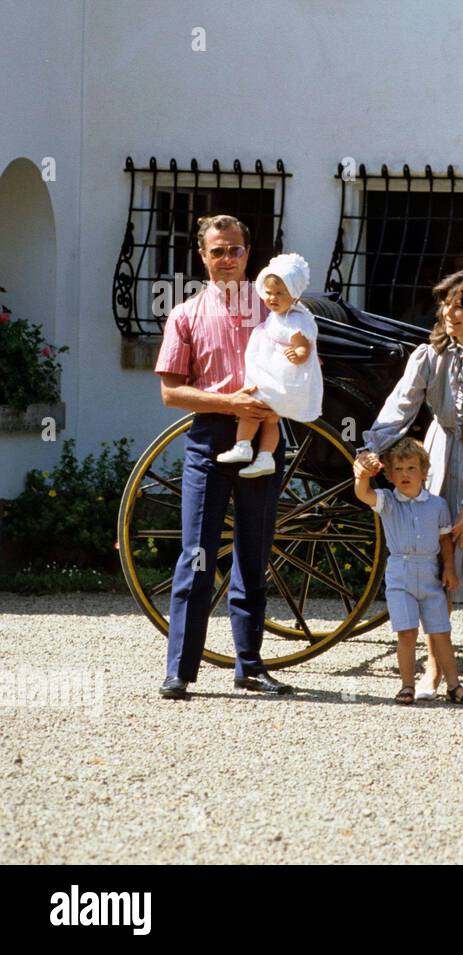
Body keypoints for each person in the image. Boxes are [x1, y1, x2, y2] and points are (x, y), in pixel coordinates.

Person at [357, 270, 463, 707]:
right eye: (446, 303)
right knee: (434, 569)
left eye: (460, 305)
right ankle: (434, 667)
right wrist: (371, 447)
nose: (449, 312)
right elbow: (402, 405)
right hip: (440, 454)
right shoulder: (428, 356)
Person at [154, 214, 293, 699]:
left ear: (248, 253)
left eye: (235, 249)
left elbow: (304, 353)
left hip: (263, 435)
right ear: (203, 256)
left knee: (253, 550)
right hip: (211, 437)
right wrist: (229, 403)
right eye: (218, 251)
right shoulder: (185, 314)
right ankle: (179, 670)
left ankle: (249, 665)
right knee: (196, 553)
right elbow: (172, 393)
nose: (228, 259)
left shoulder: (275, 308)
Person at [353, 437, 463, 705]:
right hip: (401, 574)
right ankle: (407, 685)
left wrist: (449, 569)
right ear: (389, 474)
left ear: (423, 471)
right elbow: (363, 493)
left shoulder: (437, 505)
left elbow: (445, 539)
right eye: (397, 470)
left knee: (441, 632)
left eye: (411, 468)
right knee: (406, 632)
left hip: (430, 574)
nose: (405, 475)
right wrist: (363, 475)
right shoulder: (387, 501)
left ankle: (454, 686)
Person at [217, 252, 323, 476]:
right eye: (269, 293)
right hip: (273, 378)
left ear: (293, 296)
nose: (273, 298)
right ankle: (265, 457)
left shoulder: (296, 319)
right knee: (270, 420)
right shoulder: (278, 316)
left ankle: (243, 446)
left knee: (252, 409)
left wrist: (299, 354)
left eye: (280, 294)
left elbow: (304, 346)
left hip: (278, 381)